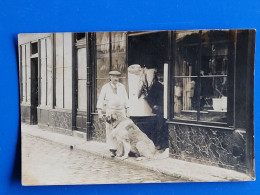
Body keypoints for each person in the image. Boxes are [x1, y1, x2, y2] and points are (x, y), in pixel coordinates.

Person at [96, 70, 130, 157]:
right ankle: (112, 149)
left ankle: (121, 150)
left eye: (117, 77)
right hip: (110, 112)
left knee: (121, 131)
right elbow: (101, 99)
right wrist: (99, 111)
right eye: (114, 77)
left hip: (121, 112)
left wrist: (128, 109)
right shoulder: (105, 87)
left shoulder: (121, 87)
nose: (116, 78)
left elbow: (126, 98)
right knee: (110, 130)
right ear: (110, 77)